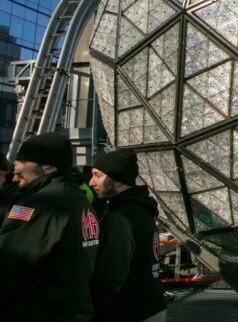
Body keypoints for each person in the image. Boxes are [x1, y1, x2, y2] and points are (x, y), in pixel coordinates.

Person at [0, 132, 100, 320]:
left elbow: (9, 266)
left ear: (46, 166)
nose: (15, 172)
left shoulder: (41, 206)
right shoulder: (81, 202)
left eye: (21, 162)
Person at [89, 148, 167, 321]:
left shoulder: (121, 217)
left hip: (128, 311)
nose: (91, 182)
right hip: (151, 306)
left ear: (117, 180)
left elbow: (110, 275)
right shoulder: (143, 210)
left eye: (97, 175)